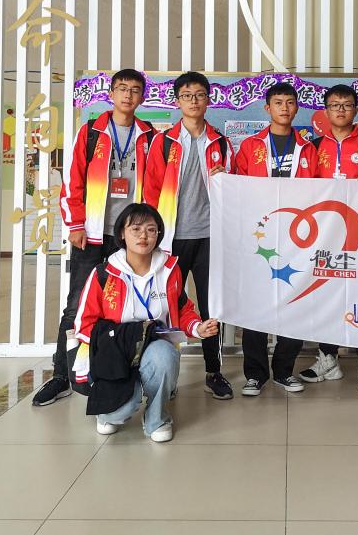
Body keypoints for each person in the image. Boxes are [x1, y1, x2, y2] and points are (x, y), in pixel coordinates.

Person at [34, 68, 156, 407]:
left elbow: (157, 184)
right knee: (76, 305)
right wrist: (75, 225)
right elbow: (72, 181)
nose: (128, 95)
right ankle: (62, 375)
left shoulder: (148, 135)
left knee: (130, 304)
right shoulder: (91, 131)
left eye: (135, 90)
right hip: (92, 233)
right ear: (111, 93)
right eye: (122, 88)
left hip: (130, 236)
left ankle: (124, 373)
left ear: (142, 96)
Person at [72, 203, 219, 441]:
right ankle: (117, 405)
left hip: (154, 346)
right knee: (117, 414)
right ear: (122, 233)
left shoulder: (170, 270)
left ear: (158, 235)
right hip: (115, 351)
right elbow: (83, 324)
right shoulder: (104, 273)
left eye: (151, 230)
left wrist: (198, 328)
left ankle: (156, 417)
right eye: (136, 229)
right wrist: (116, 343)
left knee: (164, 355)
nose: (144, 236)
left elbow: (182, 309)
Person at [144, 71, 235, 400]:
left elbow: (234, 190)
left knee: (212, 306)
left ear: (208, 99)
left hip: (211, 237)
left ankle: (214, 371)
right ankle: (166, 374)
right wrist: (152, 237)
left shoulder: (220, 143)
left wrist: (225, 178)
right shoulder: (164, 142)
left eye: (199, 95)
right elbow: (151, 190)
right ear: (177, 101)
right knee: (166, 304)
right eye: (187, 95)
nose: (193, 101)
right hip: (172, 238)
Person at [298, 84, 358, 394]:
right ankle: (328, 358)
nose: (340, 110)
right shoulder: (312, 147)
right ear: (325, 111)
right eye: (334, 105)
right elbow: (303, 190)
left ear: (356, 110)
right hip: (325, 237)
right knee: (327, 296)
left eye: (347, 105)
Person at [234, 82, 317, 397]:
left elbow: (323, 190)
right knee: (255, 305)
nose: (284, 107)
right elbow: (237, 187)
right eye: (278, 102)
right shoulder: (250, 146)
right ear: (267, 108)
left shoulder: (308, 148)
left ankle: (284, 371)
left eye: (290, 102)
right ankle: (255, 374)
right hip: (260, 237)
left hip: (297, 238)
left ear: (297, 107)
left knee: (295, 302)